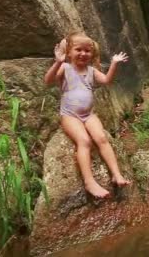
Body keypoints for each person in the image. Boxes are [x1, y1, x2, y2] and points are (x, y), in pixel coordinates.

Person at [44, 32, 131, 198]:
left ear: (92, 53)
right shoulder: (65, 68)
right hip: (70, 115)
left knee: (102, 138)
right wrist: (57, 63)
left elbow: (106, 81)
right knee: (84, 141)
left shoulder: (91, 71)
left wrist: (113, 63)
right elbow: (48, 81)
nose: (83, 53)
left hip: (89, 115)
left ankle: (116, 174)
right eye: (78, 50)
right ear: (69, 52)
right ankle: (89, 182)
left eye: (87, 51)